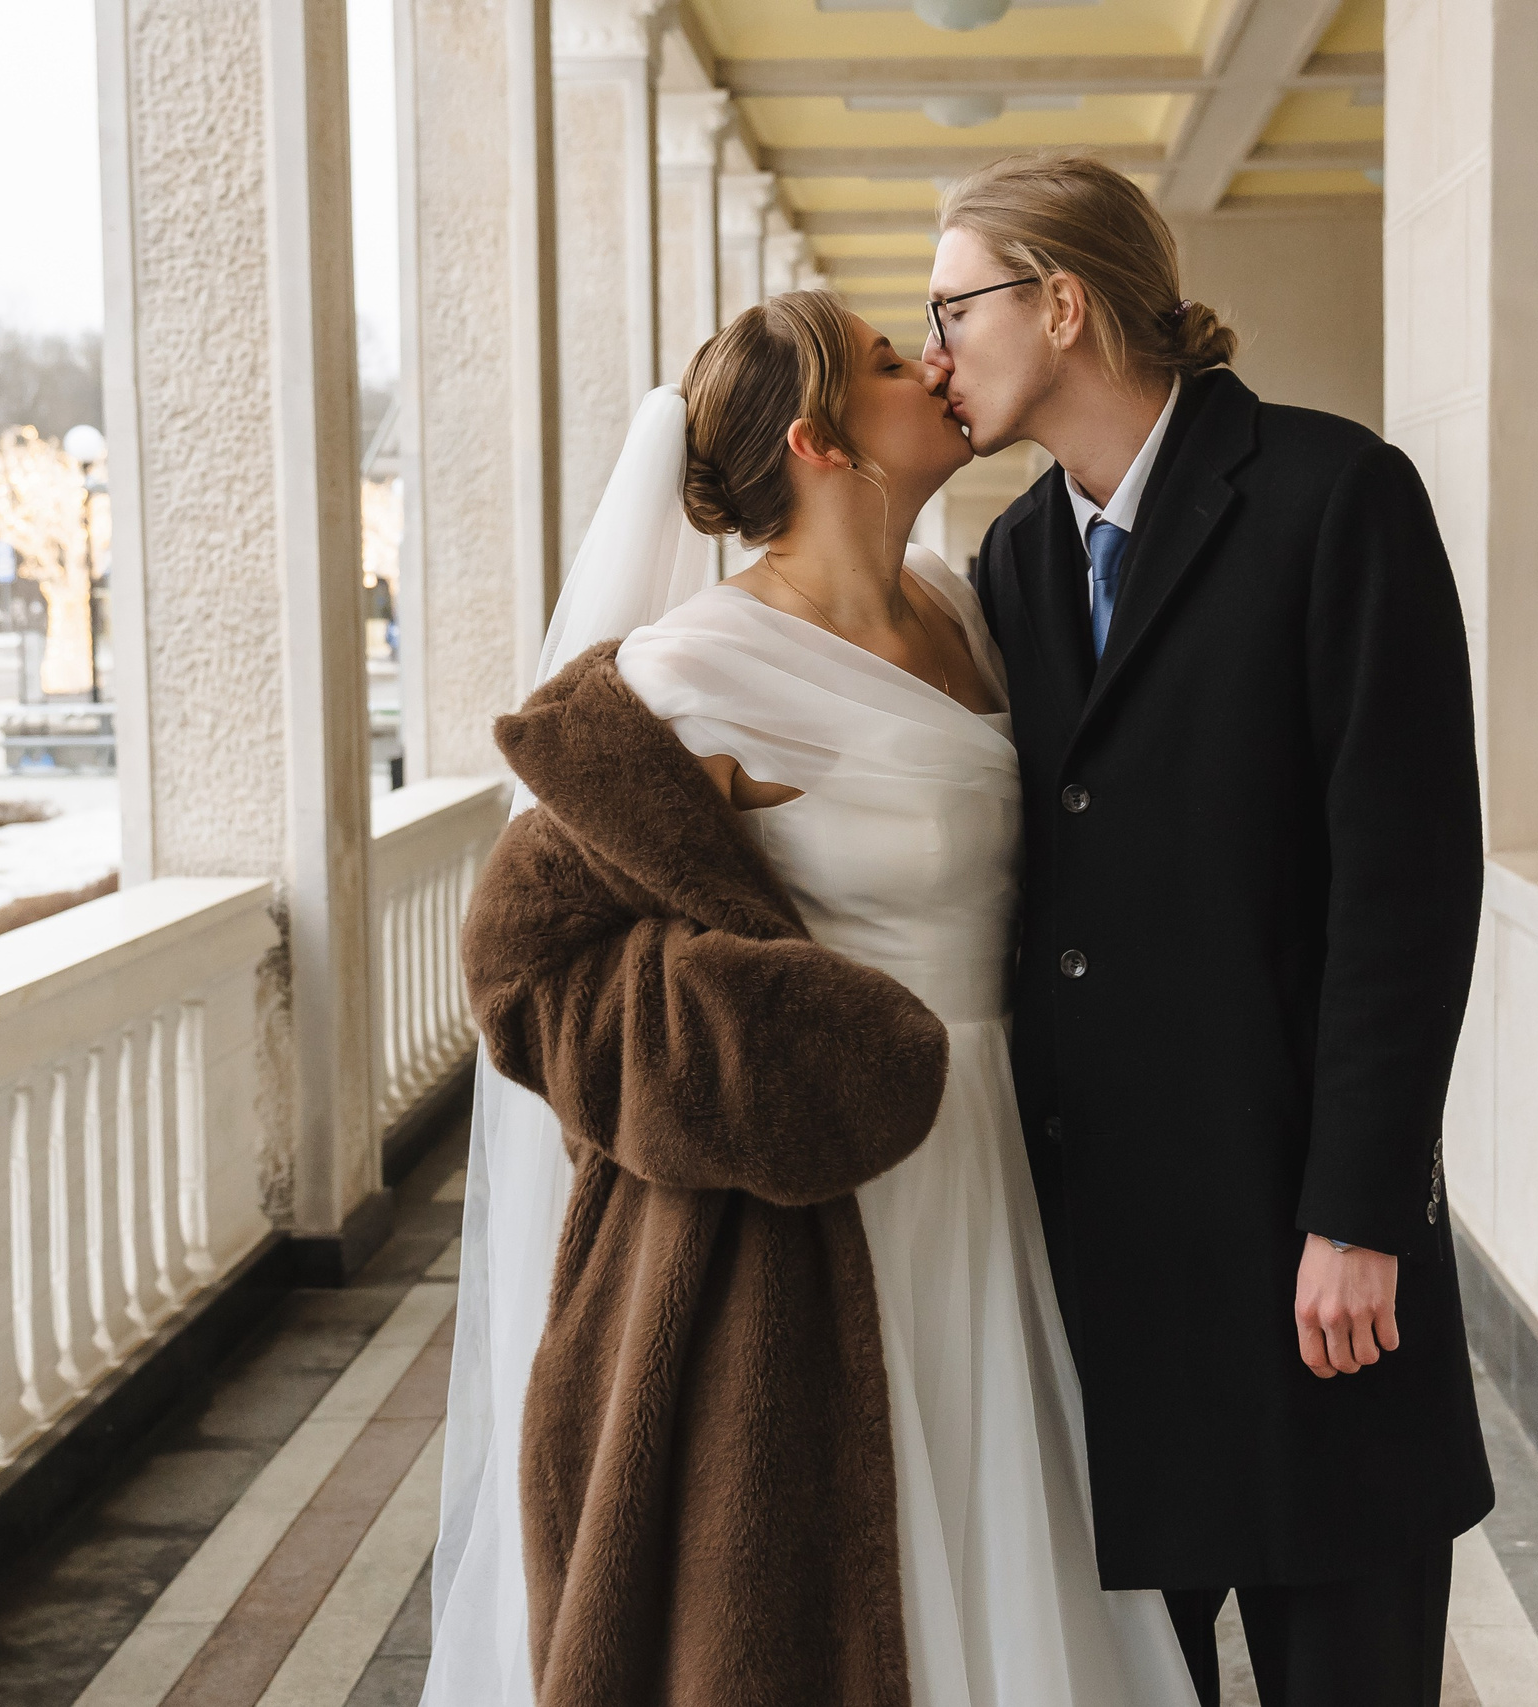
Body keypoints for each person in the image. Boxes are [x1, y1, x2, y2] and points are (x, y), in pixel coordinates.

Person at [422, 294, 1197, 1707]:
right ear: (819, 438)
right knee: (862, 1563)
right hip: (838, 1184)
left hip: (1013, 1162)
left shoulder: (971, 610)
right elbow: (522, 963)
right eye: (896, 362)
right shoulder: (686, 673)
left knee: (1022, 1537)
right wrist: (746, 1028)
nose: (938, 366)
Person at [920, 152, 1494, 1707]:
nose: (931, 353)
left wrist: (1362, 1210)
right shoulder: (1017, 563)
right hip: (1110, 1282)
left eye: (951, 305)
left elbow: (1410, 884)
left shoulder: (1334, 496)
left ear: (1063, 302)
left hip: (1315, 1263)